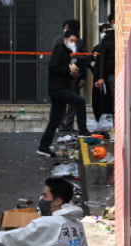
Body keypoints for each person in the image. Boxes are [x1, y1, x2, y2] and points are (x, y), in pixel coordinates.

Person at [37, 29, 92, 158]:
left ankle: (43, 146)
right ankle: (83, 130)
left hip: (60, 88)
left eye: (75, 41)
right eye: (71, 40)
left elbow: (61, 70)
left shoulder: (67, 53)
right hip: (58, 89)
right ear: (65, 40)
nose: (73, 43)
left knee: (55, 121)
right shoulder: (60, 50)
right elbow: (52, 67)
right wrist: (68, 68)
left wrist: (72, 73)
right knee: (80, 101)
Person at [52, 20, 88, 133]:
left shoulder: (80, 42)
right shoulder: (58, 40)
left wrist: (77, 57)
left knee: (72, 100)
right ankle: (61, 123)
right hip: (62, 73)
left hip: (75, 74)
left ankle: (69, 124)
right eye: (66, 28)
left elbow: (85, 57)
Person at [89, 24, 111, 122]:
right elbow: (89, 60)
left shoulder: (110, 48)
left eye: (105, 32)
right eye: (102, 32)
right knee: (96, 103)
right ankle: (99, 121)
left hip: (106, 80)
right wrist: (91, 64)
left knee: (106, 103)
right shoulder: (97, 48)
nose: (103, 34)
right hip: (97, 79)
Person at [96, 14, 116, 116]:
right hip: (111, 73)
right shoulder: (107, 38)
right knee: (114, 101)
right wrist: (101, 76)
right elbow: (102, 58)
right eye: (113, 22)